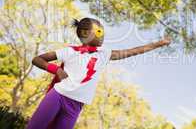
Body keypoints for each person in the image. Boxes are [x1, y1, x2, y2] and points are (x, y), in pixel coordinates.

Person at [26, 17, 171, 129]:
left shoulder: (104, 54)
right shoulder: (69, 51)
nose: (102, 36)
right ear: (85, 33)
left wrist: (158, 44)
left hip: (76, 106)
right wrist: (56, 69)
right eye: (99, 31)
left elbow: (133, 51)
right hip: (58, 96)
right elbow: (37, 60)